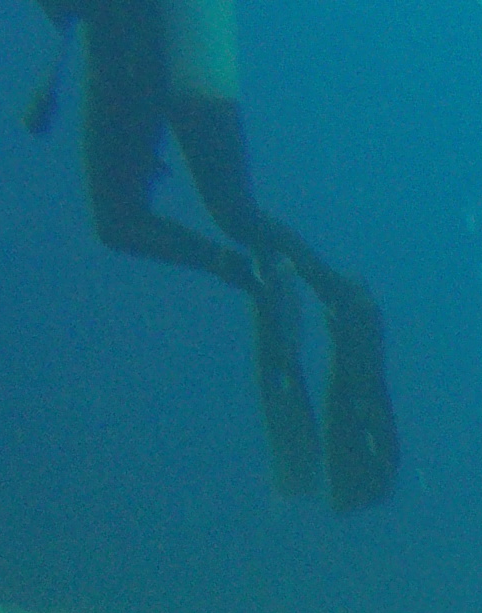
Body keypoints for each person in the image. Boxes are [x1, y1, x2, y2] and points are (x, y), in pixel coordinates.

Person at [27, 0, 399, 510]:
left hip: (131, 33)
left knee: (119, 218)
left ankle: (248, 275)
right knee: (236, 209)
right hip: (200, 34)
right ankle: (337, 293)